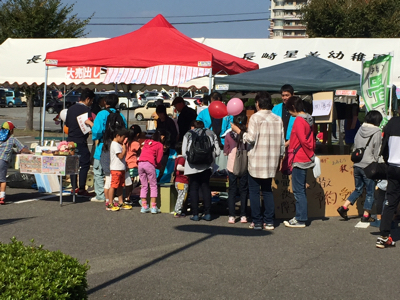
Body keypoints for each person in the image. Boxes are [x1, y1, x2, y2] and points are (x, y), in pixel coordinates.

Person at [231, 92, 284, 230]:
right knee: (267, 190)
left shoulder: (255, 117)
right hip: (272, 160)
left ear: (258, 104)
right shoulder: (278, 119)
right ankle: (269, 221)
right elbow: (282, 142)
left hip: (256, 160)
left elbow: (251, 138)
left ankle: (257, 221)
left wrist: (239, 132)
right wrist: (281, 158)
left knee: (254, 191)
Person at [337, 110, 382, 223]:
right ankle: (366, 215)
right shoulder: (376, 132)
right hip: (369, 165)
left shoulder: (360, 129)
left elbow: (355, 144)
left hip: (357, 163)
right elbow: (377, 150)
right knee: (370, 191)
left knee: (358, 189)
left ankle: (344, 207)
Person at [282, 96, 315, 228]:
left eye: (290, 109)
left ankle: (300, 218)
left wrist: (310, 154)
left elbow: (302, 140)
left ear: (294, 108)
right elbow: (307, 139)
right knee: (300, 188)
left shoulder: (299, 120)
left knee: (298, 190)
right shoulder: (309, 119)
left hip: (299, 158)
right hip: (304, 157)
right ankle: (300, 217)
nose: (289, 112)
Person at [91, 94, 127, 202]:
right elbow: (125, 130)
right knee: (115, 171)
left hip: (104, 145)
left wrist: (97, 138)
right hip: (117, 146)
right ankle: (115, 194)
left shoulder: (102, 114)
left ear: (105, 102)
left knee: (99, 171)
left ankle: (101, 195)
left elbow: (96, 131)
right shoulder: (120, 115)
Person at [183, 120, 221, 221]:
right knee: (206, 187)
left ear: (193, 126)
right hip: (207, 165)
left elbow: (183, 153)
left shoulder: (188, 134)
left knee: (194, 188)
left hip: (192, 166)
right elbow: (217, 152)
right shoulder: (211, 133)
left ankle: (195, 214)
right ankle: (207, 213)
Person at [376, 114, 400, 248]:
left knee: (390, 202)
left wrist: (387, 161)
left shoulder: (391, 123)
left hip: (392, 166)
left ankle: (383, 236)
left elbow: (384, 146)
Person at [65, 88, 95, 197]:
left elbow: (67, 124)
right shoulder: (87, 111)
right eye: (91, 101)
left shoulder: (71, 108)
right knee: (84, 164)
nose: (91, 103)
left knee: (73, 164)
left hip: (70, 140)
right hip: (81, 140)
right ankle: (81, 188)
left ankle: (74, 187)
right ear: (87, 99)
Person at [224, 113, 249, 224]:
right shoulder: (247, 135)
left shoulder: (229, 135)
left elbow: (225, 151)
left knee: (232, 190)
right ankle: (243, 215)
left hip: (232, 165)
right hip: (245, 164)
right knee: (244, 190)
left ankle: (232, 216)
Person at [0, 121, 31, 204]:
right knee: (2, 180)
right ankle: (2, 197)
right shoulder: (12, 139)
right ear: (10, 131)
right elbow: (22, 149)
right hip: (2, 161)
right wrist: (30, 152)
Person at [138, 131, 164, 214]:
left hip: (140, 163)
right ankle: (153, 207)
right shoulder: (159, 145)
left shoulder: (146, 143)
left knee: (144, 185)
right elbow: (159, 159)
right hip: (149, 164)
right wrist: (158, 166)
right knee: (153, 185)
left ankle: (144, 206)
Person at [109, 127, 132, 211]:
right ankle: (110, 203)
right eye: (123, 137)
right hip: (116, 169)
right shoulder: (115, 144)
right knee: (113, 185)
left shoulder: (118, 144)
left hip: (121, 168)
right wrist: (124, 149)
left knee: (121, 186)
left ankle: (120, 202)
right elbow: (120, 156)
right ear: (118, 136)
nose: (124, 140)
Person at [125, 125, 142, 204]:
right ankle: (128, 197)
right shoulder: (136, 143)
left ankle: (124, 195)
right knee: (130, 182)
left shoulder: (125, 141)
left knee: (125, 181)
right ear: (138, 134)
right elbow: (139, 153)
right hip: (132, 164)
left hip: (125, 163)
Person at [173, 142, 189, 218]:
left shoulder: (177, 158)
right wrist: (188, 169)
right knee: (181, 197)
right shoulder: (182, 158)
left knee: (180, 196)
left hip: (177, 180)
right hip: (182, 181)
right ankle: (177, 211)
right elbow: (179, 167)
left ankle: (180, 210)